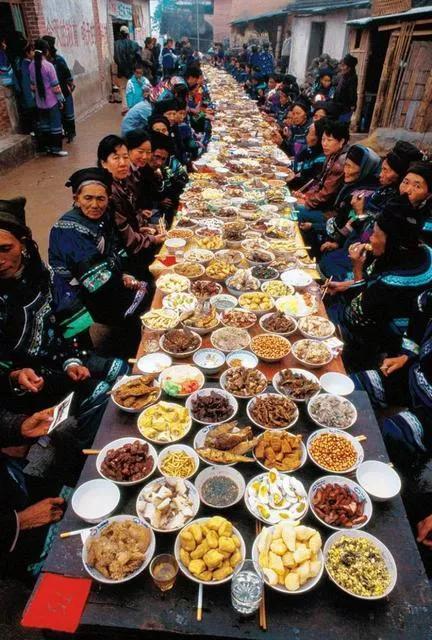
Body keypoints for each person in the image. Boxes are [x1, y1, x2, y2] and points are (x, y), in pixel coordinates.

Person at [0, 196, 127, 448]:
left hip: (60, 360)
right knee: (101, 393)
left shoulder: (41, 275)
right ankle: (77, 457)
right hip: (23, 389)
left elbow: (71, 326)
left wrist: (72, 360)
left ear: (23, 243)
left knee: (122, 371)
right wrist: (15, 376)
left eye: (5, 249)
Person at [49, 167, 150, 351]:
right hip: (76, 291)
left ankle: (131, 340)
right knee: (140, 298)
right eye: (88, 198)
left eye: (100, 198)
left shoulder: (104, 217)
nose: (95, 205)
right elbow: (96, 280)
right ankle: (128, 349)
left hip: (102, 278)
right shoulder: (69, 229)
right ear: (76, 199)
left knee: (144, 280)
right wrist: (123, 281)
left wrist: (126, 274)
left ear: (108, 199)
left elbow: (117, 249)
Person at [326, 196, 432, 370]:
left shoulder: (392, 281)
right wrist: (345, 285)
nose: (370, 239)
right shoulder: (423, 251)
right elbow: (374, 282)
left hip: (391, 336)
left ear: (392, 242)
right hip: (385, 308)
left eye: (375, 234)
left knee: (328, 317)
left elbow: (356, 317)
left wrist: (357, 268)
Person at [319, 140, 421, 281]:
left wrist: (360, 213)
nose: (380, 174)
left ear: (399, 175)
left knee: (328, 265)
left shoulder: (397, 209)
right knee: (325, 259)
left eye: (386, 170)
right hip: (353, 245)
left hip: (366, 259)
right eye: (382, 169)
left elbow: (375, 240)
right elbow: (359, 224)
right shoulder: (381, 192)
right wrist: (339, 243)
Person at [351, 287, 432, 464]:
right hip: (415, 376)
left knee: (389, 436)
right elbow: (421, 308)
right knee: (354, 387)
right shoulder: (429, 298)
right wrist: (406, 356)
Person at [294, 120, 350, 231]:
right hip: (322, 205)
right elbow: (319, 182)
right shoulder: (332, 155)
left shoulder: (341, 162)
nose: (324, 144)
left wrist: (307, 202)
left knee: (294, 210)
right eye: (323, 139)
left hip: (330, 212)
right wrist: (306, 196)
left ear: (341, 141)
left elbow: (326, 194)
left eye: (329, 140)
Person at [28, 39, 67, 157]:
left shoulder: (31, 66)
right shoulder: (49, 66)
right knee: (55, 125)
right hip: (52, 101)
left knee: (44, 125)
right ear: (46, 51)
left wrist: (36, 99)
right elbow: (55, 86)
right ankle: (56, 149)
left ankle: (47, 148)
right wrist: (61, 100)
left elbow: (32, 86)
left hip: (40, 102)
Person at [42, 35, 76, 143]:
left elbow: (67, 74)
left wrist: (70, 84)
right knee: (59, 115)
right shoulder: (44, 63)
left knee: (68, 114)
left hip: (63, 91)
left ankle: (70, 134)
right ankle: (62, 133)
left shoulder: (58, 60)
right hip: (53, 94)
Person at [285, 118, 327, 190]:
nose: (306, 136)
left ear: (319, 138)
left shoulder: (321, 159)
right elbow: (296, 163)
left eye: (310, 133)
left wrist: (288, 178)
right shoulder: (310, 149)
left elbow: (307, 184)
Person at [400, 161, 432, 245]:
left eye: (417, 186)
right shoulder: (389, 203)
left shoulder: (427, 221)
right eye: (405, 182)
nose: (407, 191)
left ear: (429, 195)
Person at [114, 26, 141, 114]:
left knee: (123, 89)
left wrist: (121, 66)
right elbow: (139, 56)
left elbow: (116, 58)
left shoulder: (116, 44)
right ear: (127, 34)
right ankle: (134, 107)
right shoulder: (133, 44)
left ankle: (125, 107)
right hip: (132, 71)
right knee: (134, 88)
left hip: (121, 71)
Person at [15, 41, 37, 136]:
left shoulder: (24, 63)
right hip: (29, 96)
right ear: (27, 53)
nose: (34, 53)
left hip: (29, 95)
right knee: (32, 115)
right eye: (32, 51)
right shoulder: (25, 65)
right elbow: (26, 83)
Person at [334, 53, 358, 123]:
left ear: (349, 68)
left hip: (345, 107)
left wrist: (352, 105)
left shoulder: (352, 78)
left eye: (344, 66)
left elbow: (352, 92)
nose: (342, 68)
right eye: (342, 65)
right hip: (338, 106)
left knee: (341, 124)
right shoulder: (343, 76)